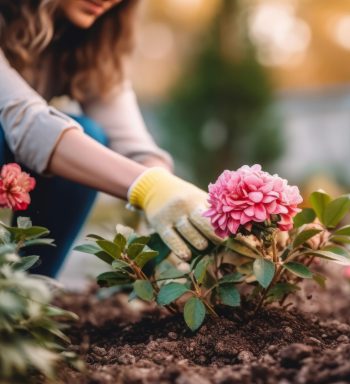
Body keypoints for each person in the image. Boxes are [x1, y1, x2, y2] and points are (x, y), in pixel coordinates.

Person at [0, 0, 221, 277]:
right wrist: (148, 187)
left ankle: (28, 295)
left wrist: (172, 197)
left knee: (90, 135)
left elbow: (132, 143)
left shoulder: (89, 37)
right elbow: (23, 119)